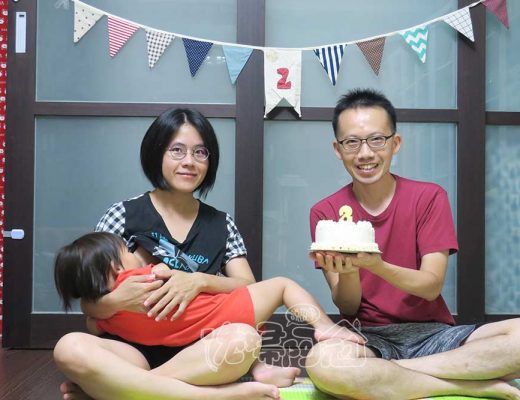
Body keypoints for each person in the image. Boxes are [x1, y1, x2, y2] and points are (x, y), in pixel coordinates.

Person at [53, 108, 298, 400]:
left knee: (244, 340)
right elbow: (89, 305)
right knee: (69, 348)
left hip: (199, 352)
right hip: (130, 351)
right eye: (177, 150)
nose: (189, 162)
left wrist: (199, 281)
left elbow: (247, 286)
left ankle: (121, 389)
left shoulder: (222, 224)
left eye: (200, 152)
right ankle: (217, 395)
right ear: (156, 153)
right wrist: (121, 299)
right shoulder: (122, 215)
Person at [305, 88, 520, 400]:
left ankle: (395, 374)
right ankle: (463, 382)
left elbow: (430, 287)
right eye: (352, 142)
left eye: (376, 140)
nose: (365, 153)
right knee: (323, 363)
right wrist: (351, 270)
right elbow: (348, 307)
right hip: (368, 339)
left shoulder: (428, 197)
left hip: (434, 334)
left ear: (395, 143)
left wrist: (375, 265)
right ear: (338, 150)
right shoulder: (325, 213)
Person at [54, 231, 364, 348]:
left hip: (192, 340)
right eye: (127, 250)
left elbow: (92, 322)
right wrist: (164, 270)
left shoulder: (105, 317)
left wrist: (99, 305)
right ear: (115, 268)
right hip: (223, 314)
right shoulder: (145, 276)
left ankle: (258, 371)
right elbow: (163, 273)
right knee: (283, 285)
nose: (135, 254)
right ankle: (325, 327)